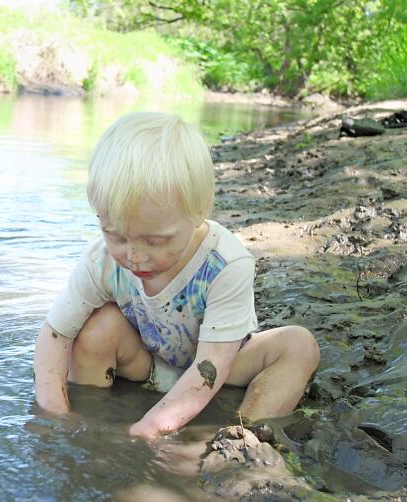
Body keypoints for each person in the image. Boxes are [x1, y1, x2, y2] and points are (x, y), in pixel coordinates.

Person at [33, 112, 320, 440]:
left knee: (298, 346)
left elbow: (211, 365)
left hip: (225, 363)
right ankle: (95, 423)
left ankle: (241, 436)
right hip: (148, 363)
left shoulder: (224, 263)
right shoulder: (100, 261)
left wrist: (152, 427)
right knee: (97, 328)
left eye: (154, 241)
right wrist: (54, 413)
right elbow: (56, 333)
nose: (134, 255)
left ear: (199, 211)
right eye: (116, 235)